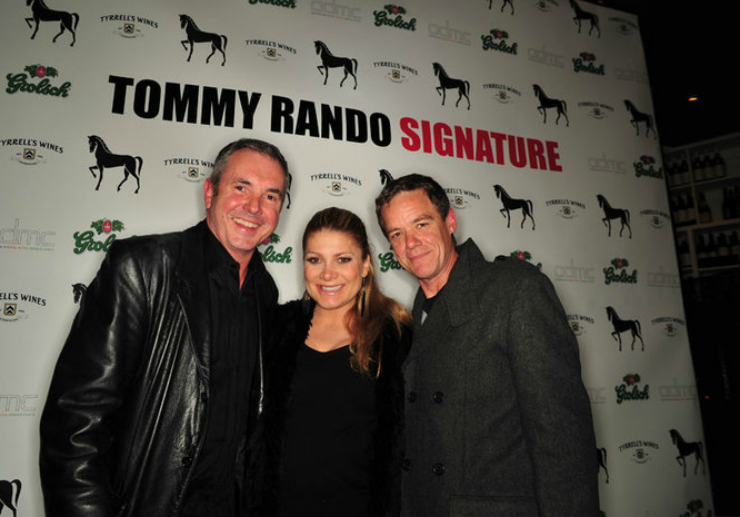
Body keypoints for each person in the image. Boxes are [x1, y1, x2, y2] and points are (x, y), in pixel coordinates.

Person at [39, 138, 290, 517]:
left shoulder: (265, 292)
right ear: (210, 192)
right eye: (241, 187)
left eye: (271, 196)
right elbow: (75, 424)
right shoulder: (142, 267)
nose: (254, 207)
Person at [375, 174, 599, 517]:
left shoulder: (515, 291)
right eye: (397, 234)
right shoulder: (412, 317)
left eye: (421, 224)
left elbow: (561, 437)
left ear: (450, 221)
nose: (411, 243)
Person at [248, 207, 411, 517]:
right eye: (315, 260)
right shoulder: (276, 330)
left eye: (343, 259)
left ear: (365, 265)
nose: (327, 274)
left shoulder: (396, 339)